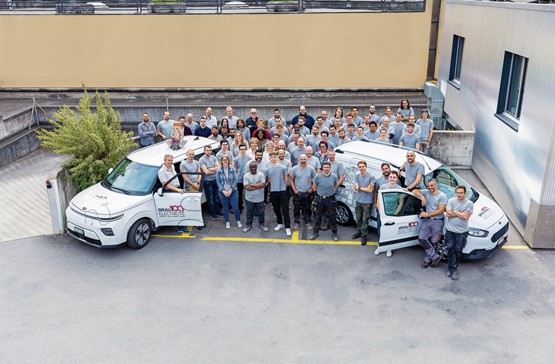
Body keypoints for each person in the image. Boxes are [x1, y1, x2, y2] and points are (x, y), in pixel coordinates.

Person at [413, 179, 447, 269]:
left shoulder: (442, 196)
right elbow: (414, 191)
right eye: (428, 186)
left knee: (434, 242)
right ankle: (435, 256)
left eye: (432, 185)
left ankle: (427, 260)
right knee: (422, 238)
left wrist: (427, 214)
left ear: (436, 185)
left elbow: (440, 210)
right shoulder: (426, 192)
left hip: (438, 221)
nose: (430, 188)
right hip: (427, 220)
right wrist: (422, 197)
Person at [444, 185, 474, 280]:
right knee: (450, 248)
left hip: (461, 232)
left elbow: (466, 217)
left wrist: (455, 211)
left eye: (461, 193)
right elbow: (448, 214)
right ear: (455, 193)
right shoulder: (451, 201)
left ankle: (454, 268)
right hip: (450, 231)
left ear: (465, 193)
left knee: (458, 250)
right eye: (458, 193)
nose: (459, 194)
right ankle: (452, 269)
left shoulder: (469, 203)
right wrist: (460, 213)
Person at [309, 162, 340, 241]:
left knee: (332, 216)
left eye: (327, 167)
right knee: (318, 216)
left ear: (330, 168)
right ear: (322, 168)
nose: (326, 169)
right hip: (320, 199)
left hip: (331, 199)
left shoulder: (334, 176)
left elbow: (335, 185)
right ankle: (315, 232)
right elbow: (314, 187)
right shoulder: (318, 176)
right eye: (325, 167)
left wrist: (331, 191)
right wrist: (319, 194)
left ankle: (334, 233)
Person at [158, 154, 187, 233]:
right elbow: (166, 184)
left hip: (177, 188)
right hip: (171, 191)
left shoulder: (172, 166)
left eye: (171, 160)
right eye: (169, 160)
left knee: (180, 208)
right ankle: (181, 227)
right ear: (164, 161)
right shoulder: (161, 172)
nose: (170, 162)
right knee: (177, 210)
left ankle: (182, 223)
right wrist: (177, 190)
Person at [267, 152, 292, 236]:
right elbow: (269, 179)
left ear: (277, 157)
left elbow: (286, 178)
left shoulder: (283, 168)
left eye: (275, 157)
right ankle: (280, 223)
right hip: (273, 191)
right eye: (272, 157)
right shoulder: (268, 169)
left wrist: (284, 186)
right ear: (269, 158)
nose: (273, 158)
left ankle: (287, 227)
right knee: (276, 209)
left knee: (285, 210)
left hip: (282, 190)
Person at [352, 160, 375, 246]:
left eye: (363, 166)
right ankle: (359, 232)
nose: (361, 168)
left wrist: (360, 188)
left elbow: (370, 190)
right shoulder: (357, 176)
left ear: (366, 166)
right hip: (359, 200)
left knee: (365, 220)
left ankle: (363, 236)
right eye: (360, 167)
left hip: (367, 202)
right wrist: (361, 188)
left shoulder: (371, 177)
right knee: (358, 218)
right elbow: (355, 187)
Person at [290, 154, 316, 230]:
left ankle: (307, 221)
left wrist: (312, 189)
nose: (303, 161)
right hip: (298, 193)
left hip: (307, 193)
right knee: (296, 208)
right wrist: (294, 189)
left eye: (304, 159)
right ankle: (296, 222)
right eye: (302, 159)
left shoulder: (311, 169)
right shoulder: (295, 169)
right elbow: (291, 179)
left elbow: (315, 178)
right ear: (299, 160)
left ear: (306, 160)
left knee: (307, 208)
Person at [216, 155, 242, 229]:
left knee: (235, 207)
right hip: (222, 192)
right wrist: (223, 190)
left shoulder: (232, 169)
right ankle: (227, 221)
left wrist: (231, 189)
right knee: (225, 208)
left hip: (233, 191)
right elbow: (218, 181)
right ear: (221, 161)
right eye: (223, 160)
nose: (225, 161)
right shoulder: (219, 170)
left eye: (226, 160)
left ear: (228, 161)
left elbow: (236, 179)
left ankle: (238, 220)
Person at [242, 161, 269, 233]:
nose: (253, 168)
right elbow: (246, 187)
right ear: (249, 167)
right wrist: (258, 186)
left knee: (261, 213)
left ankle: (261, 224)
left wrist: (252, 185)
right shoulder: (246, 176)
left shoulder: (261, 174)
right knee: (249, 212)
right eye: (251, 167)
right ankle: (248, 225)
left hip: (260, 199)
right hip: (249, 199)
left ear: (257, 167)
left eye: (254, 167)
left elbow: (263, 184)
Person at [199, 145, 220, 221]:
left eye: (210, 150)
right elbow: (206, 172)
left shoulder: (214, 157)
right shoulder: (201, 159)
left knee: (216, 197)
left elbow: (219, 168)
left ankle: (217, 211)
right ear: (204, 151)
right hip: (207, 182)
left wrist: (211, 169)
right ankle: (213, 214)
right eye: (207, 150)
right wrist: (214, 170)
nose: (209, 152)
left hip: (215, 180)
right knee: (210, 198)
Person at [234, 144, 250, 212]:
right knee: (239, 194)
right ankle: (239, 207)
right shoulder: (236, 159)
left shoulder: (249, 158)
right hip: (239, 179)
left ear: (246, 150)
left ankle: (250, 207)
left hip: (247, 179)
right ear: (239, 150)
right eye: (241, 149)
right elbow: (236, 168)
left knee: (248, 194)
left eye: (244, 149)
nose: (243, 151)